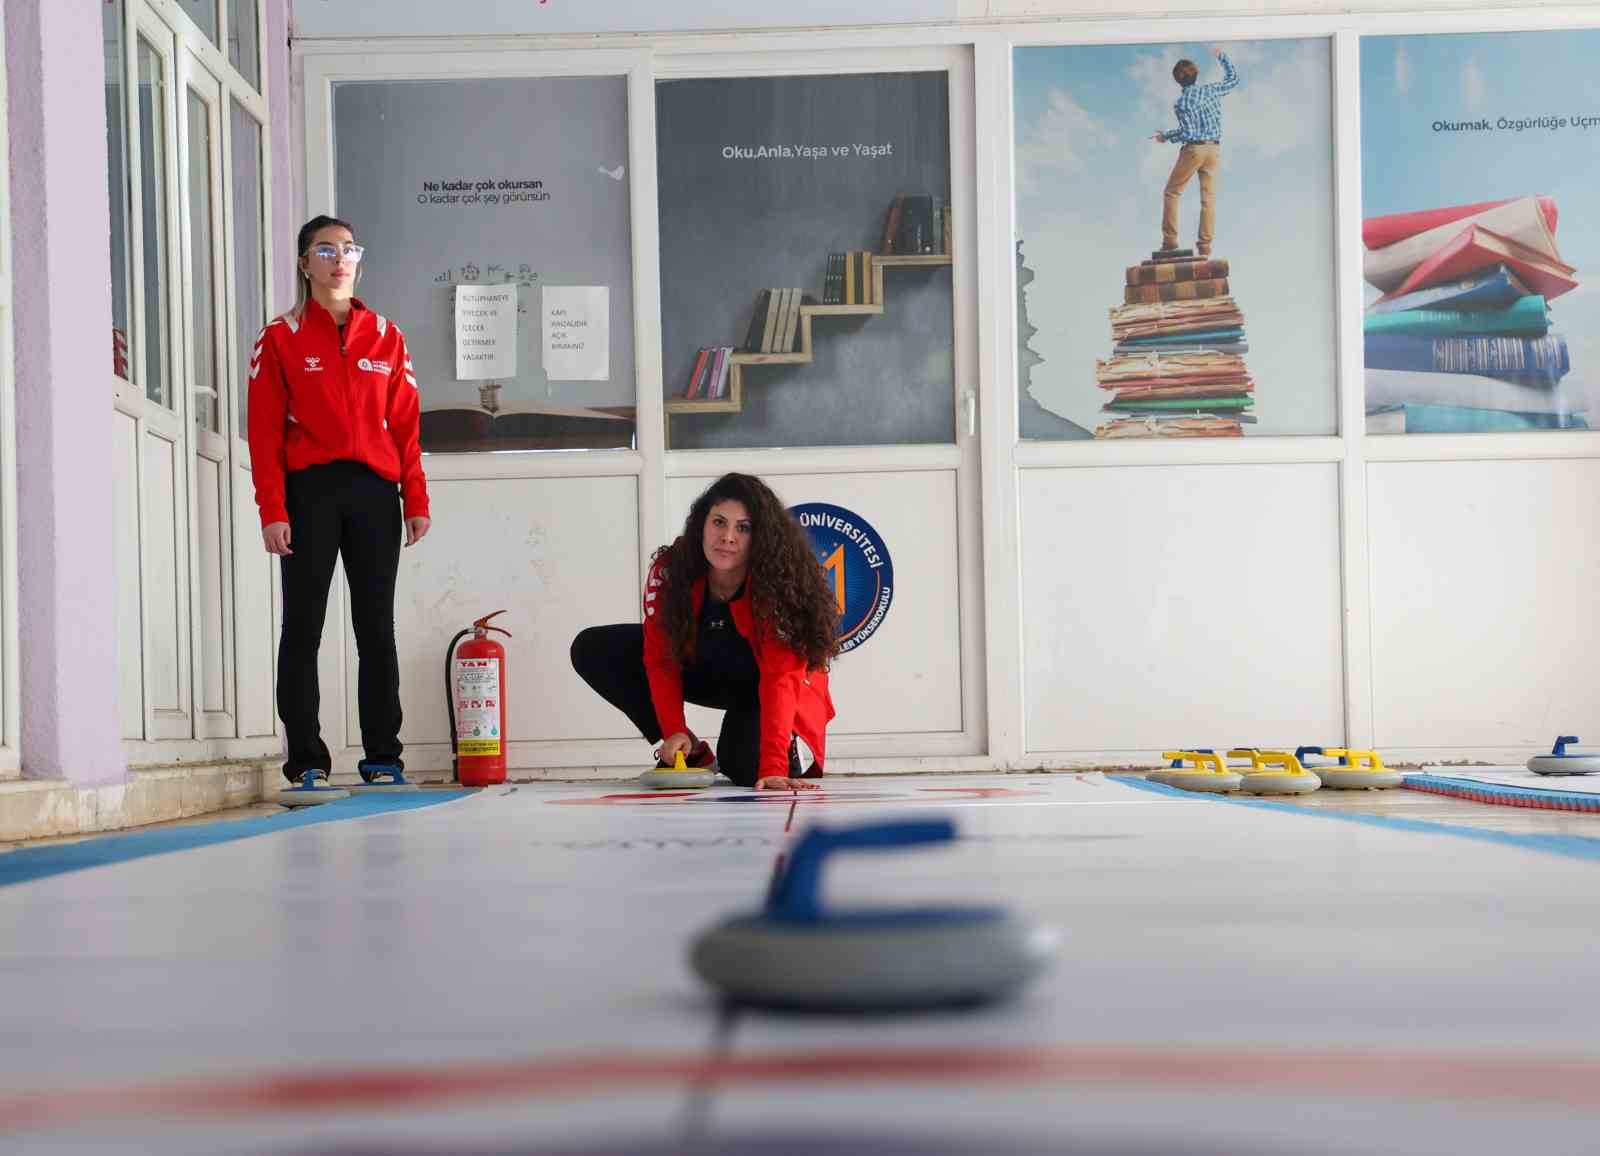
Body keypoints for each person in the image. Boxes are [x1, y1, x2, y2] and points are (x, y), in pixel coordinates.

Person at [247, 214, 431, 787]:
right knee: (303, 626)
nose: (339, 260)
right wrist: (273, 510)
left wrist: (415, 498)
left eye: (349, 249)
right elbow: (263, 433)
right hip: (310, 493)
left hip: (375, 493)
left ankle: (383, 757)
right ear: (304, 263)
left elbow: (406, 426)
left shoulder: (386, 335)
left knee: (376, 627)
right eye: (325, 250)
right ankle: (307, 760)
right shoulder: (280, 337)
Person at [571, 473, 838, 790]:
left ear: (761, 537)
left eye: (743, 527)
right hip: (706, 666)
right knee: (594, 648)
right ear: (702, 524)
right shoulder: (671, 570)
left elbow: (780, 678)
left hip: (762, 685)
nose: (727, 537)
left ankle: (785, 749)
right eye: (719, 522)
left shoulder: (779, 583)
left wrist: (773, 765)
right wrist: (674, 730)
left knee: (746, 769)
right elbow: (661, 659)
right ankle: (692, 752)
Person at [1151, 46, 1239, 258]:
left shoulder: (1182, 103)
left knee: (1172, 192)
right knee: (1208, 199)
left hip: (1194, 150)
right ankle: (1205, 247)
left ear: (1177, 81)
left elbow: (1188, 132)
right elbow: (1233, 79)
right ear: (1196, 74)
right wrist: (1221, 56)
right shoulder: (1211, 90)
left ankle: (1170, 242)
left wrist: (1166, 136)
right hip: (1214, 149)